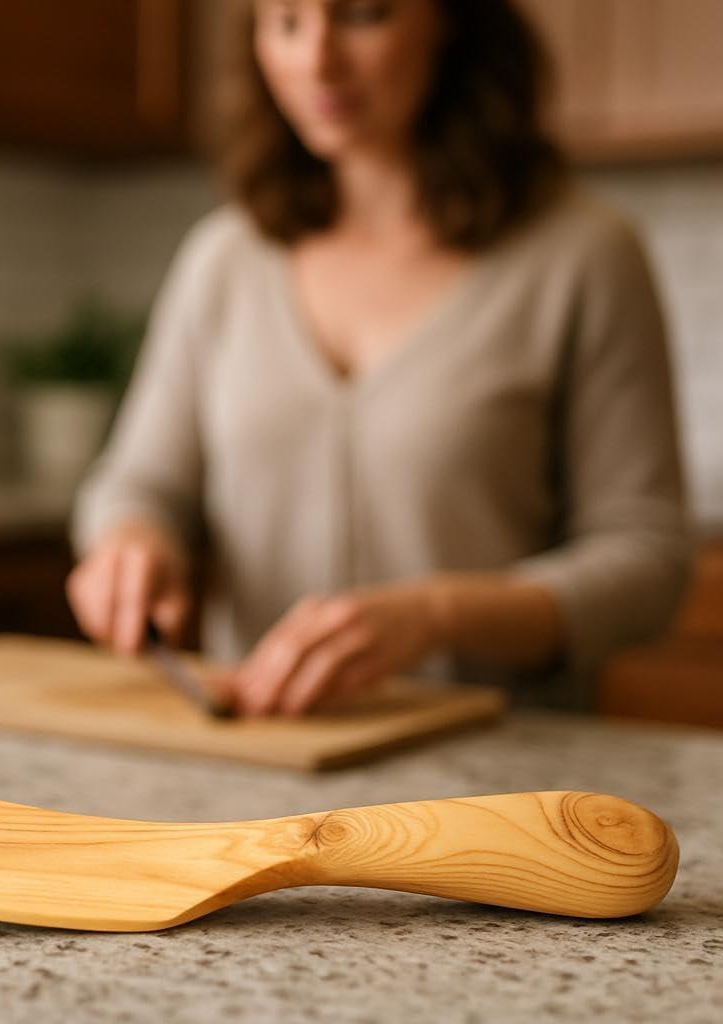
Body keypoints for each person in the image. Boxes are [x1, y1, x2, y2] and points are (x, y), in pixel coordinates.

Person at [66, 0, 693, 717]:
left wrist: (439, 615)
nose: (317, 61)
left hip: (499, 758)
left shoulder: (585, 256)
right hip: (260, 751)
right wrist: (131, 543)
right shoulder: (225, 259)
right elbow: (139, 482)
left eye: (363, 14)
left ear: (450, 21)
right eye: (286, 21)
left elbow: (647, 560)